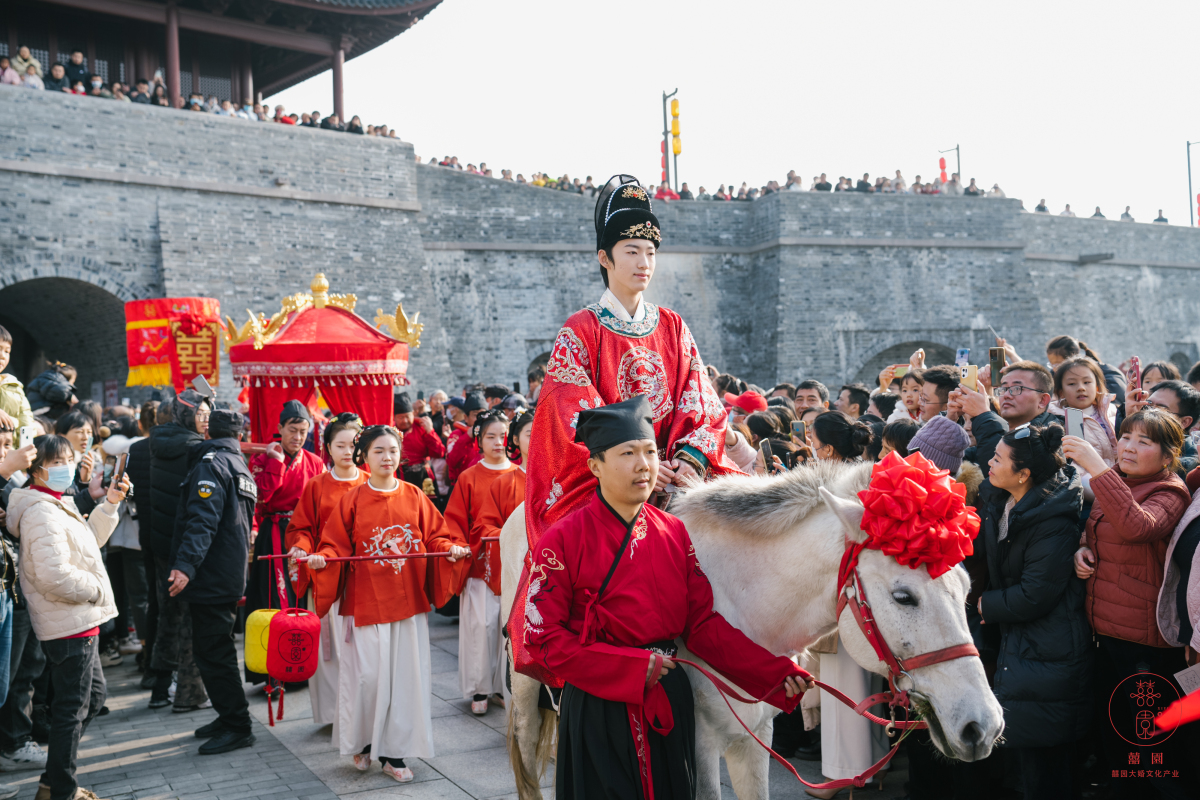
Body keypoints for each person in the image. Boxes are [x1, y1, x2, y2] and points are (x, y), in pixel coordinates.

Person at [519, 396, 808, 799]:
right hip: (599, 703)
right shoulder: (562, 540)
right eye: (628, 453)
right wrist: (630, 668)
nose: (644, 464)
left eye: (651, 452)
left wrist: (773, 672)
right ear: (595, 466)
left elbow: (702, 625)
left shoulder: (673, 532)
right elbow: (542, 639)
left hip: (668, 698)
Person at [522, 174, 736, 613]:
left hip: (679, 470)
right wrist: (637, 467)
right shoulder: (580, 330)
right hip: (609, 481)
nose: (644, 262)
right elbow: (570, 419)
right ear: (605, 256)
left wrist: (685, 460)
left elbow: (701, 401)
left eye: (651, 252)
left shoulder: (673, 325)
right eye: (632, 251)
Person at [307, 426, 469, 783]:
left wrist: (449, 550)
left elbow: (437, 536)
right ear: (364, 455)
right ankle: (363, 742)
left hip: (407, 603)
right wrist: (324, 558)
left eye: (393, 450)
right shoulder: (352, 499)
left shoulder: (413, 495)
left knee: (404, 680)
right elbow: (334, 544)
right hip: (366, 603)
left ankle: (394, 752)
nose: (387, 457)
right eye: (379, 451)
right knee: (367, 678)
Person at [1068, 409, 1193, 790]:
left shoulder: (1170, 491)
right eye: (1125, 437)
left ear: (1169, 455)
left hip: (1145, 642)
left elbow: (1138, 527)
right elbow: (1101, 532)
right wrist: (1082, 549)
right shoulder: (1119, 481)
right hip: (1107, 633)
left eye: (1144, 441)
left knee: (1150, 746)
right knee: (1117, 737)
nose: (1129, 447)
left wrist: (1096, 466)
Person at [7, 434, 130, 800]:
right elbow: (53, 575)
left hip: (79, 620)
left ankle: (54, 781)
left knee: (90, 698)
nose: (67, 467)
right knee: (72, 707)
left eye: (69, 459)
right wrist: (93, 588)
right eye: (58, 461)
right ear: (38, 469)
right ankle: (60, 788)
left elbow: (88, 542)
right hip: (70, 622)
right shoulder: (41, 511)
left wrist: (109, 504)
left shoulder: (55, 502)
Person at [977, 424, 1091, 799]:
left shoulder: (1053, 521)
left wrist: (984, 605)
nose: (989, 464)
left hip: (1049, 645)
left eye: (997, 459)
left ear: (1023, 473)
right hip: (1021, 642)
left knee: (1045, 760)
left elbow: (1034, 594)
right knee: (1024, 756)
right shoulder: (1004, 499)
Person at [167, 410, 258, 755]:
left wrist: (186, 565)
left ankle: (238, 724)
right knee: (214, 650)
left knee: (215, 652)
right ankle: (228, 715)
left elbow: (202, 521)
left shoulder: (212, 463)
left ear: (208, 430)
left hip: (212, 573)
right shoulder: (238, 463)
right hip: (227, 571)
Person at [283, 413, 366, 726]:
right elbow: (301, 527)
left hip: (364, 578)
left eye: (353, 444)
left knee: (362, 648)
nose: (347, 451)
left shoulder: (371, 481)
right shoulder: (316, 485)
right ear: (327, 448)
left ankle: (362, 710)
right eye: (339, 445)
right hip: (327, 574)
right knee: (330, 652)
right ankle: (334, 716)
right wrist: (301, 547)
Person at [245, 400, 323, 684]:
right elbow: (261, 497)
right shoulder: (263, 458)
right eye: (292, 430)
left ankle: (302, 666)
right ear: (280, 429)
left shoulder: (315, 462)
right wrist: (276, 464)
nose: (298, 437)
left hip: (305, 535)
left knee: (302, 598)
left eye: (303, 431)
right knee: (275, 599)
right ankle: (273, 670)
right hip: (275, 532)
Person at [443, 410, 516, 714]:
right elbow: (455, 521)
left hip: (512, 564)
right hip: (479, 563)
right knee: (481, 627)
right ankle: (479, 690)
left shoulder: (522, 473)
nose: (498, 442)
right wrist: (458, 546)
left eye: (503, 435)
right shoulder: (469, 477)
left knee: (506, 626)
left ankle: (502, 686)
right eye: (491, 436)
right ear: (478, 440)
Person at [147, 393, 210, 711]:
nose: (205, 419)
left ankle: (159, 687)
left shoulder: (158, 440)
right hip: (184, 546)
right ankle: (188, 693)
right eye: (200, 413)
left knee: (167, 615)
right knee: (188, 618)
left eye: (207, 413)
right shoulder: (194, 448)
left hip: (161, 543)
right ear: (185, 415)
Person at [1050, 357, 1117, 468]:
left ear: (1096, 386)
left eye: (1087, 382)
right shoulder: (1055, 421)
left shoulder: (1112, 411)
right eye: (1071, 384)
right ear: (1061, 392)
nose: (1081, 388)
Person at [1045, 336, 1126, 405]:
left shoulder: (1111, 377)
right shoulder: (1054, 377)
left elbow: (1117, 406)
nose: (1054, 369)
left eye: (1058, 365)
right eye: (1052, 365)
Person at [445, 393, 487, 483]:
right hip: (462, 486)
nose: (480, 419)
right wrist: (467, 437)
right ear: (466, 418)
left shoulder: (491, 435)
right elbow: (452, 462)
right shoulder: (456, 435)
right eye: (475, 415)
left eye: (483, 415)